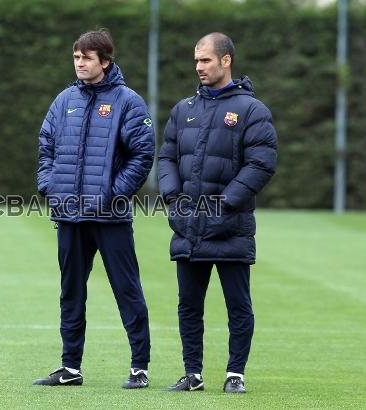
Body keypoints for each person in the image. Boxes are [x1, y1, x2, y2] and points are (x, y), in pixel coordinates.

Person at [34, 29, 155, 389]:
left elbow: (142, 154)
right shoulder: (64, 100)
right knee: (71, 291)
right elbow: (46, 147)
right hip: (69, 215)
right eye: (76, 57)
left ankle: (139, 367)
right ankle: (70, 367)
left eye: (87, 57)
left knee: (126, 289)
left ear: (105, 61)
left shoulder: (128, 101)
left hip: (110, 216)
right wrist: (49, 186)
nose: (80, 63)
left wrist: (114, 194)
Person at [158, 32, 277, 393]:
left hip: (231, 228)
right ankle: (192, 374)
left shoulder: (252, 110)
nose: (199, 67)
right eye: (196, 60)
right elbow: (166, 156)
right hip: (188, 226)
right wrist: (172, 196)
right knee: (188, 306)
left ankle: (234, 374)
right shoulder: (183, 110)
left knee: (238, 306)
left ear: (226, 61)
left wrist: (224, 203)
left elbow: (261, 162)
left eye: (206, 60)